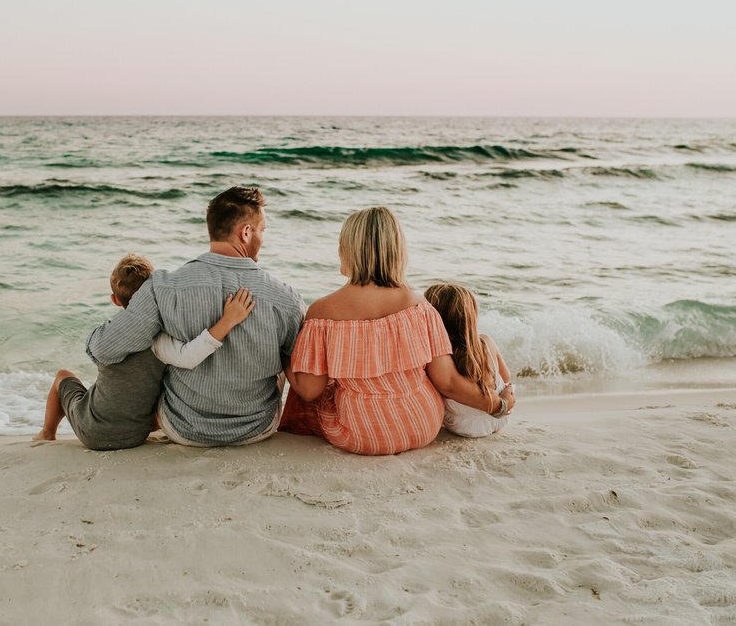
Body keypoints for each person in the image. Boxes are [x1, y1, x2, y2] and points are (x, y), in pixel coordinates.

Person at [280, 206, 514, 456]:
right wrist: (496, 405)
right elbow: (448, 382)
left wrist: (283, 351)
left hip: (362, 434)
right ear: (397, 252)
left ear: (348, 250)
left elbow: (308, 390)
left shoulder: (322, 312)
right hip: (424, 425)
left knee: (319, 385)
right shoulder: (420, 307)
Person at [85, 187, 305, 447]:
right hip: (255, 429)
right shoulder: (286, 298)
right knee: (286, 354)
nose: (263, 238)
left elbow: (104, 350)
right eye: (262, 231)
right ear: (246, 233)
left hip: (184, 428)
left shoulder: (162, 287)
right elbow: (303, 376)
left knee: (148, 339)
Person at [34, 253, 256, 449]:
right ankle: (154, 423)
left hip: (93, 431)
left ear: (114, 300)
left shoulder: (110, 337)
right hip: (135, 435)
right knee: (161, 379)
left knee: (64, 375)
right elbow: (190, 355)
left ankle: (47, 433)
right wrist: (228, 320)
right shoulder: (160, 339)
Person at [424, 283, 514, 437]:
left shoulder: (439, 356)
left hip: (461, 425)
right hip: (500, 419)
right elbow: (506, 376)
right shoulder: (486, 342)